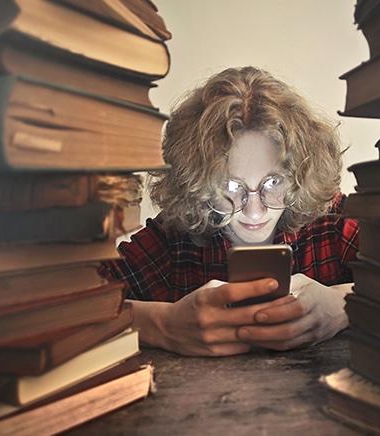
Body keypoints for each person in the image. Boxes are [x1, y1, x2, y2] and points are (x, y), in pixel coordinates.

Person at [102, 66, 359, 356]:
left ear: (299, 175)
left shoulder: (334, 224)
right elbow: (66, 309)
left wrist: (345, 305)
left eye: (272, 182)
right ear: (198, 183)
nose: (253, 210)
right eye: (230, 186)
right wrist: (162, 324)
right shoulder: (170, 242)